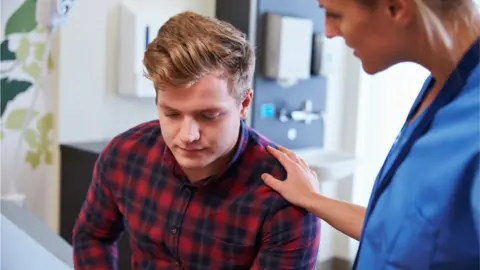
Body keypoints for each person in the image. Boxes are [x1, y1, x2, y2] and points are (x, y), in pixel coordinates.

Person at [72, 11, 320, 270]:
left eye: (209, 115)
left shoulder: (284, 198)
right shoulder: (124, 155)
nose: (187, 136)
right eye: (171, 114)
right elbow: (92, 236)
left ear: (244, 103)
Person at [261, 0, 480, 269]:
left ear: (396, 8)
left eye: (335, 15)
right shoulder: (440, 87)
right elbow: (398, 234)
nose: (328, 31)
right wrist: (312, 199)